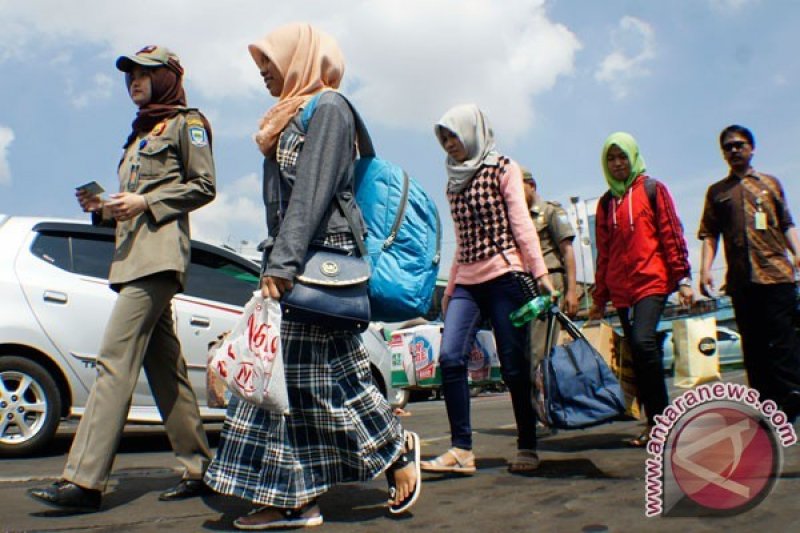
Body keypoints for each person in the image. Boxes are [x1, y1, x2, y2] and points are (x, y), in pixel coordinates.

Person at [203, 23, 420, 530]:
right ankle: (374, 459)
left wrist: (281, 266)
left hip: (319, 262)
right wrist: (276, 259)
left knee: (288, 381)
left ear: (299, 58)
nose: (263, 75)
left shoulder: (329, 108)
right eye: (259, 68)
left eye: (270, 65)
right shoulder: (290, 115)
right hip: (297, 258)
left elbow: (313, 192)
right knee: (310, 381)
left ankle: (297, 498)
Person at [28, 46, 216, 512]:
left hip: (156, 261)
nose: (133, 80)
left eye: (144, 73)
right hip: (132, 259)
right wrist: (107, 210)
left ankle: (84, 481)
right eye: (129, 74)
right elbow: (133, 205)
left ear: (168, 76)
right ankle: (202, 470)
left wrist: (146, 203)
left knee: (113, 362)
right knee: (165, 370)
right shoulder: (137, 136)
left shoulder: (186, 124)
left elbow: (204, 185)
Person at [420, 104, 556, 475]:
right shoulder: (452, 182)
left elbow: (521, 223)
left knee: (513, 366)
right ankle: (461, 449)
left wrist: (539, 272)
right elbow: (462, 241)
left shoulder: (503, 168)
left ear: (472, 132)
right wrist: (449, 291)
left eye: (454, 135)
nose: (449, 144)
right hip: (467, 280)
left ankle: (527, 444)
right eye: (443, 138)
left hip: (505, 276)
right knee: (449, 357)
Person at [588, 132, 693, 447]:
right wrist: (598, 300)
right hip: (623, 292)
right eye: (612, 158)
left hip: (652, 282)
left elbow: (671, 232)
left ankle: (662, 422)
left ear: (633, 157)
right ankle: (654, 422)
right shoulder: (606, 204)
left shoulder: (652, 189)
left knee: (643, 342)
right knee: (638, 352)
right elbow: (603, 255)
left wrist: (683, 278)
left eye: (623, 157)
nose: (618, 164)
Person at [698, 124, 800, 420]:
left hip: (776, 274)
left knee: (783, 340)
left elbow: (786, 224)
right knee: (753, 345)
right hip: (742, 280)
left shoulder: (770, 184)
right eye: (728, 147)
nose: (734, 150)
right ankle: (766, 404)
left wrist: (797, 254)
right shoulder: (717, 193)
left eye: (739, 145)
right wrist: (705, 269)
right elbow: (709, 234)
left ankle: (793, 395)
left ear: (751, 148)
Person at [520, 169, 579, 372]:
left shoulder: (551, 211)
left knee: (541, 350)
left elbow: (567, 251)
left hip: (550, 284)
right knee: (528, 349)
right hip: (527, 285)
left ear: (532, 185)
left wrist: (572, 291)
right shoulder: (518, 218)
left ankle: (546, 399)